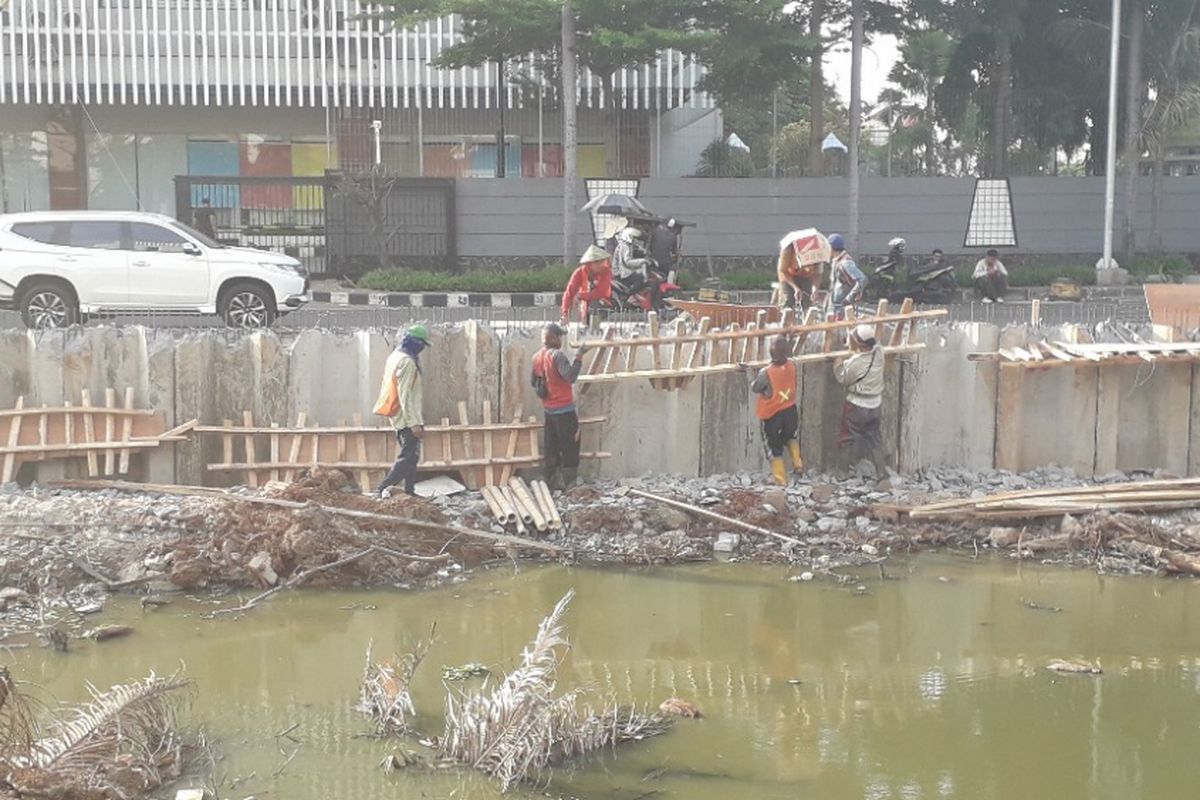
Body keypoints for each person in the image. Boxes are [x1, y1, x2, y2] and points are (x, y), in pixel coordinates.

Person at [375, 325, 432, 497]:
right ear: (415, 342)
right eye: (421, 343)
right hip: (406, 417)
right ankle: (382, 488)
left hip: (398, 413)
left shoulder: (395, 356)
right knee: (407, 457)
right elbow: (404, 395)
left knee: (412, 457)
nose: (422, 348)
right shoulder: (407, 362)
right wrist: (414, 423)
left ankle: (409, 491)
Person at [531, 323, 587, 489]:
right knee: (570, 445)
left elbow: (533, 382)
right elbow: (570, 377)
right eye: (560, 336)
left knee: (552, 446)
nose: (561, 339)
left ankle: (549, 484)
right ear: (553, 338)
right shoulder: (557, 356)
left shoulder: (536, 358)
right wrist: (579, 356)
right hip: (565, 411)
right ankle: (570, 485)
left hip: (549, 411)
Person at [748, 336, 804, 486]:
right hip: (790, 410)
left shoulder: (766, 372)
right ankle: (798, 464)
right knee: (791, 436)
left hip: (773, 415)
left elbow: (756, 388)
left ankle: (780, 479)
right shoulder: (792, 365)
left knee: (773, 445)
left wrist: (749, 373)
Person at [835, 324, 886, 476]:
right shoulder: (879, 353)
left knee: (847, 438)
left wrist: (837, 362)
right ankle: (882, 473)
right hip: (875, 404)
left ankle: (842, 473)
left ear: (859, 343)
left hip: (856, 405)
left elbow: (842, 378)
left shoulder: (856, 362)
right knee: (875, 439)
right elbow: (876, 343)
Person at [611, 223, 661, 310]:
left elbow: (636, 250)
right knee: (641, 278)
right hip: (621, 272)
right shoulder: (625, 246)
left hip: (623, 269)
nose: (634, 240)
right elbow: (627, 261)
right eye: (633, 238)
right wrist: (642, 261)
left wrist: (643, 252)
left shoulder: (626, 245)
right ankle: (631, 296)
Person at [561, 245, 613, 325]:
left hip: (604, 303)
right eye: (597, 263)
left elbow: (599, 293)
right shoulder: (579, 273)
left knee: (594, 306)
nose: (601, 265)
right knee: (586, 317)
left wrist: (580, 296)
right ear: (590, 263)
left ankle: (594, 327)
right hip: (584, 305)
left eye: (602, 262)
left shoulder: (606, 272)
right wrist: (565, 314)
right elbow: (569, 293)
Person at [776, 237, 824, 310]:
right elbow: (784, 271)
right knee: (788, 299)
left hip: (806, 276)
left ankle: (806, 317)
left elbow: (817, 274)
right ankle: (786, 315)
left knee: (807, 299)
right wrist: (795, 288)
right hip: (788, 275)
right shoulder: (787, 251)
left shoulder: (817, 255)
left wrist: (815, 290)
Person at [829, 233, 867, 318]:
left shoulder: (845, 262)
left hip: (843, 307)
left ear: (831, 247)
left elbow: (862, 279)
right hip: (836, 306)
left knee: (844, 330)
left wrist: (849, 298)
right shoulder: (836, 261)